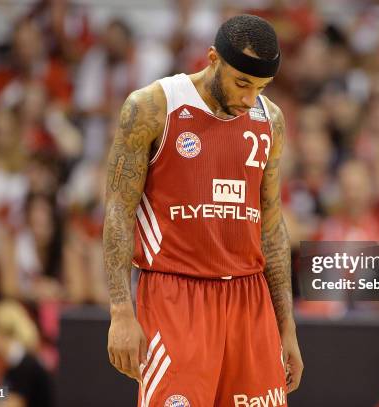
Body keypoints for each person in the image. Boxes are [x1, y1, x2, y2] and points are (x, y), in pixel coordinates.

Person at [103, 14, 303, 407]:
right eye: (241, 83)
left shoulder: (269, 120)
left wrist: (287, 326)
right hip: (176, 294)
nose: (249, 99)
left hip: (250, 298)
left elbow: (272, 226)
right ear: (212, 58)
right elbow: (117, 212)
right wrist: (119, 310)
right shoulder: (152, 106)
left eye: (260, 87)